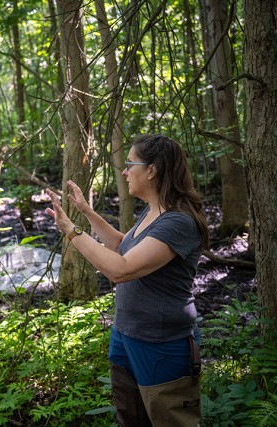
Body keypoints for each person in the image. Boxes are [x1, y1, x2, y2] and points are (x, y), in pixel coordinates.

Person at [46, 134, 208, 426]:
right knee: (130, 419)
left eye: (130, 163)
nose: (124, 170)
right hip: (126, 335)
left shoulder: (179, 221)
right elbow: (124, 246)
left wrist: (71, 231)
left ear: (152, 170)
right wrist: (86, 212)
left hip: (161, 343)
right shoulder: (153, 211)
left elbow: (121, 269)